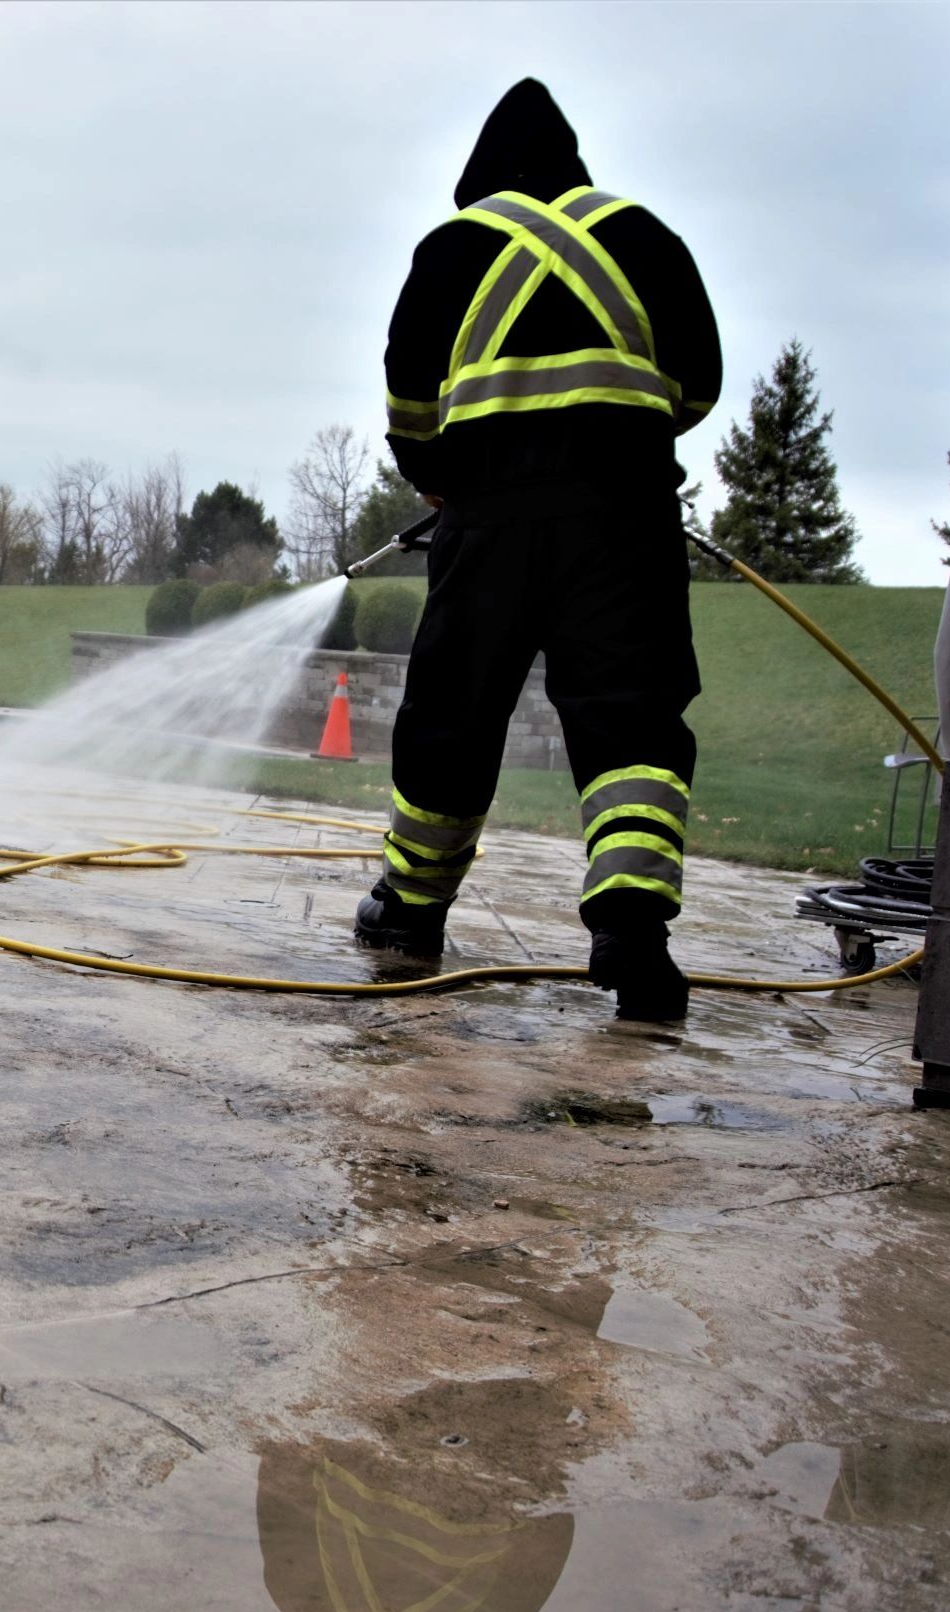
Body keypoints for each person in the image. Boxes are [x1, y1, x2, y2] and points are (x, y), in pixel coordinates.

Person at [354, 78, 721, 1022]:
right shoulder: (645, 237)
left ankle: (409, 913)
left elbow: (407, 409)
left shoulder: (453, 247)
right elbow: (697, 386)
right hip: (626, 518)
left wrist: (442, 476)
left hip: (488, 520)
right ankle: (633, 927)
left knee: (452, 714)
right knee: (631, 723)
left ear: (482, 178)